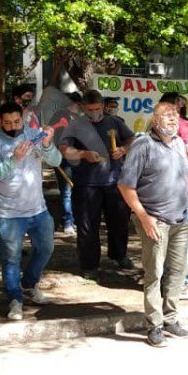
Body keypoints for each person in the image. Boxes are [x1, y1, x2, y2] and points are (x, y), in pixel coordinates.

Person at [118, 102, 188, 347]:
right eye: (167, 116)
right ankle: (155, 325)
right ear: (155, 119)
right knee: (155, 273)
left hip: (180, 220)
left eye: (175, 116)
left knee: (179, 271)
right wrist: (144, 217)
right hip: (154, 219)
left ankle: (171, 318)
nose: (172, 120)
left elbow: (182, 176)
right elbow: (125, 186)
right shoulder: (143, 145)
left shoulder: (180, 144)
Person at [0, 102, 61, 320]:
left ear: (23, 117)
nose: (12, 126)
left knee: (46, 248)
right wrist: (14, 159)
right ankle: (14, 299)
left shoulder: (34, 134)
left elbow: (56, 161)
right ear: (0, 121)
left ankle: (29, 283)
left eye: (16, 121)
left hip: (38, 208)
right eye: (7, 122)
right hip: (8, 212)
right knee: (11, 258)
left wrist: (47, 145)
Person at [58, 89, 136, 281]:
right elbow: (64, 149)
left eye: (97, 108)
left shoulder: (114, 122)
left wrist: (123, 149)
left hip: (115, 181)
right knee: (87, 225)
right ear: (83, 107)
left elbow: (131, 138)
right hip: (86, 184)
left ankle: (119, 254)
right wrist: (83, 154)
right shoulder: (75, 125)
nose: (94, 112)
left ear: (102, 106)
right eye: (90, 109)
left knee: (119, 222)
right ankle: (89, 264)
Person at [158, 92, 188, 300]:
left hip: (161, 192)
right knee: (184, 237)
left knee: (165, 237)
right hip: (184, 191)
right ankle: (182, 283)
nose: (180, 111)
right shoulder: (184, 125)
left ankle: (164, 279)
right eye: (180, 106)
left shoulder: (153, 127)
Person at [48, 91, 83, 235]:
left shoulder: (78, 117)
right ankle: (68, 221)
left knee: (74, 190)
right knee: (66, 190)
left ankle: (72, 220)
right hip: (63, 158)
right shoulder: (60, 115)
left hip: (76, 158)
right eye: (79, 104)